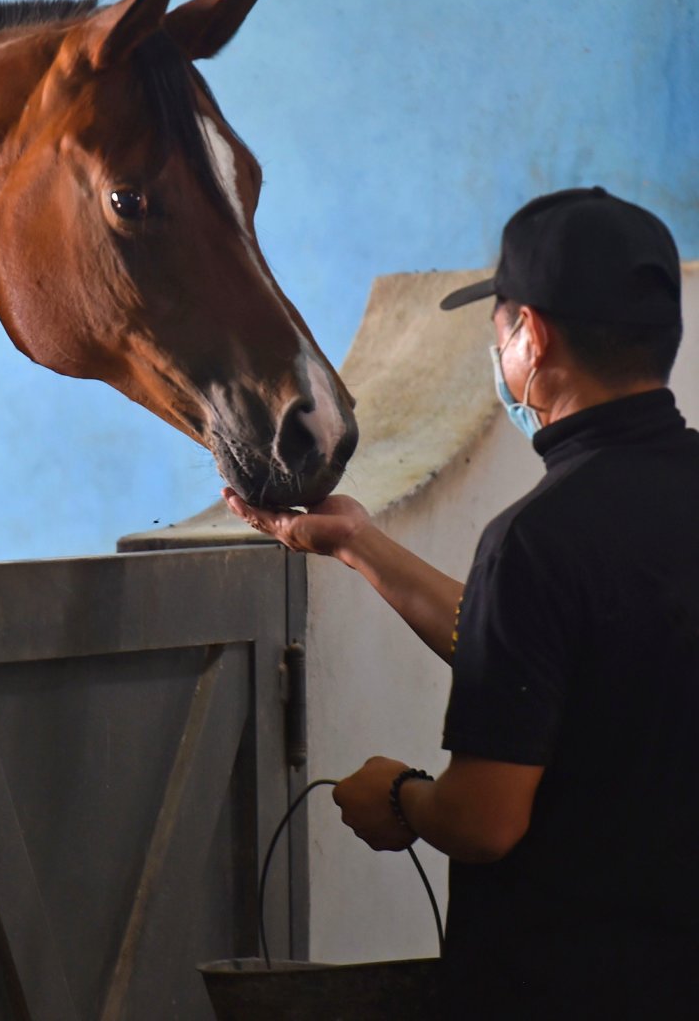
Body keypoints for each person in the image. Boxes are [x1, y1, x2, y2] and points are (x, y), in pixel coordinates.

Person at [224, 187, 699, 1019]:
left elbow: (485, 821)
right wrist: (357, 542)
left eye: (499, 327)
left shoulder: (540, 539)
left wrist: (401, 796)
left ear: (532, 335)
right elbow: (545, 655)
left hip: (572, 985)